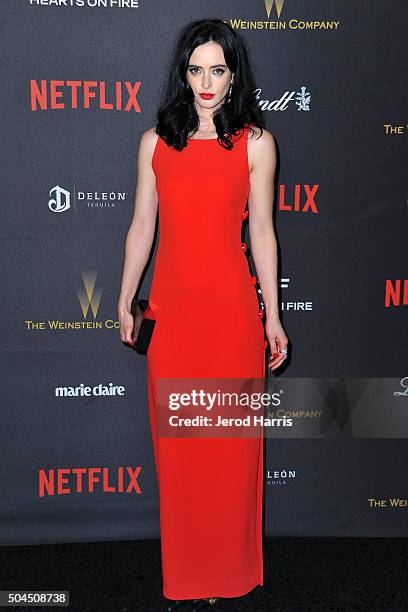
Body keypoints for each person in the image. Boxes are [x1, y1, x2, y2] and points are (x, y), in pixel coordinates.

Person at [118, 18, 289, 611]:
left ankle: (232, 572)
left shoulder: (256, 144)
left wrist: (273, 316)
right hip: (174, 316)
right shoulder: (154, 143)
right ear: (183, 73)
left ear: (234, 73)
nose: (207, 82)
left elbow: (263, 234)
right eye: (196, 70)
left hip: (232, 317)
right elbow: (143, 225)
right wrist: (124, 295)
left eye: (218, 69)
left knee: (231, 453)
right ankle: (190, 575)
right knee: (184, 455)